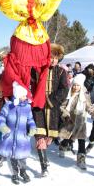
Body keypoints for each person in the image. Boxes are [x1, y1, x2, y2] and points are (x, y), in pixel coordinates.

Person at [31, 44, 69, 176]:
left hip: (53, 109)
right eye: (51, 57)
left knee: (49, 137)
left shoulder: (61, 72)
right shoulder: (37, 70)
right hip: (39, 108)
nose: (53, 60)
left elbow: (64, 89)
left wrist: (52, 100)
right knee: (39, 136)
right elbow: (31, 83)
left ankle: (44, 155)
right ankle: (43, 165)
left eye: (56, 58)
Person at [59, 74, 94, 170]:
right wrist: (65, 115)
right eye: (74, 85)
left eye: (78, 85)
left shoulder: (85, 96)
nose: (75, 87)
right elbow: (62, 107)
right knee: (68, 139)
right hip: (70, 122)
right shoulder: (69, 95)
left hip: (81, 122)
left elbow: (89, 107)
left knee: (81, 141)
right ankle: (63, 146)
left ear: (81, 86)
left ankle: (81, 160)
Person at [0, 82, 37, 184]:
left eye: (25, 95)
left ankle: (23, 172)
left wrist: (32, 127)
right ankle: (15, 174)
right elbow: (1, 117)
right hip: (10, 136)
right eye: (22, 95)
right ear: (17, 96)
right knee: (12, 157)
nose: (25, 97)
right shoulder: (9, 105)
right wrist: (3, 126)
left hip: (22, 137)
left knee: (22, 157)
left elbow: (30, 119)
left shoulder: (27, 107)